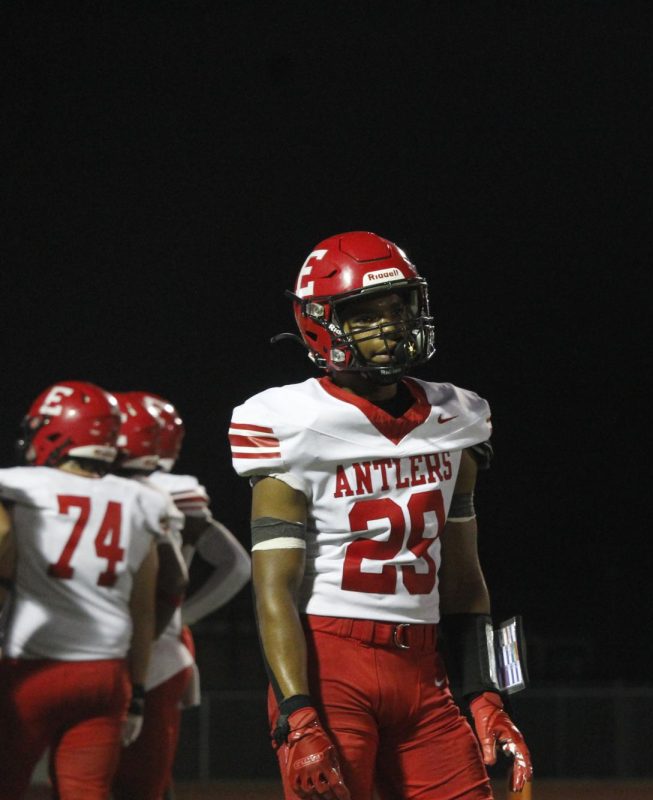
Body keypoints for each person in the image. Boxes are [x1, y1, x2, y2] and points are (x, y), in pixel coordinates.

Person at [230, 231, 532, 800]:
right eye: (366, 315)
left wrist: (491, 692)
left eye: (398, 308)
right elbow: (273, 592)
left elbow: (467, 580)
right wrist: (297, 714)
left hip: (424, 669)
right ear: (321, 323)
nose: (391, 326)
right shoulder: (285, 421)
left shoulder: (459, 416)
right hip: (329, 664)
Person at [0, 381, 172, 799]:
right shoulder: (140, 500)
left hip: (32, 667)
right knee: (87, 791)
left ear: (57, 429)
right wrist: (138, 692)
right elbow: (143, 608)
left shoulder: (18, 485)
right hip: (106, 674)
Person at [108, 391, 250, 800]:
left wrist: (179, 618)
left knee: (133, 779)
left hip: (147, 650)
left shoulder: (167, 494)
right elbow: (237, 565)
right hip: (132, 646)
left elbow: (237, 565)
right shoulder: (158, 491)